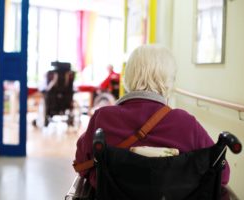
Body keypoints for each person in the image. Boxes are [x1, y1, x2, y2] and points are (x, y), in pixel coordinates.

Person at [74, 44, 230, 188]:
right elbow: (222, 175)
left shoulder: (103, 118)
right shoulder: (186, 123)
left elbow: (82, 166)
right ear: (169, 81)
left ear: (128, 76)